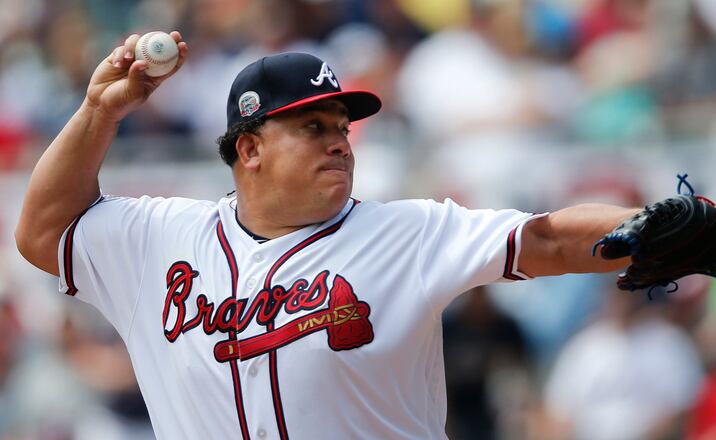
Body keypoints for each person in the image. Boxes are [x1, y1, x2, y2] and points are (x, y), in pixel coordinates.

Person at [16, 32, 641, 439]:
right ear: (250, 147)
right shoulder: (159, 239)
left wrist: (646, 229)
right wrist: (101, 111)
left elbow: (547, 240)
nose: (339, 139)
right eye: (313, 126)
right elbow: (43, 230)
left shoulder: (407, 232)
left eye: (341, 124)